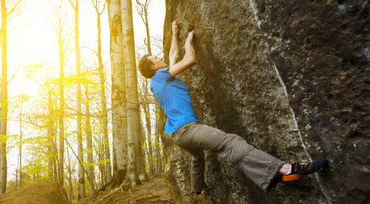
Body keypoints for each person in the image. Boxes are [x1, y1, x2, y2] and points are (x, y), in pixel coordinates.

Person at [138, 20, 327, 193]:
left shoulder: (159, 82)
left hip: (179, 135)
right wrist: (189, 42)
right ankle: (286, 170)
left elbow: (173, 55)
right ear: (154, 67)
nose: (159, 57)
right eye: (155, 58)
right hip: (188, 130)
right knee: (230, 143)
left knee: (197, 157)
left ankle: (197, 190)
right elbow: (189, 60)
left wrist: (174, 34)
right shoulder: (161, 76)